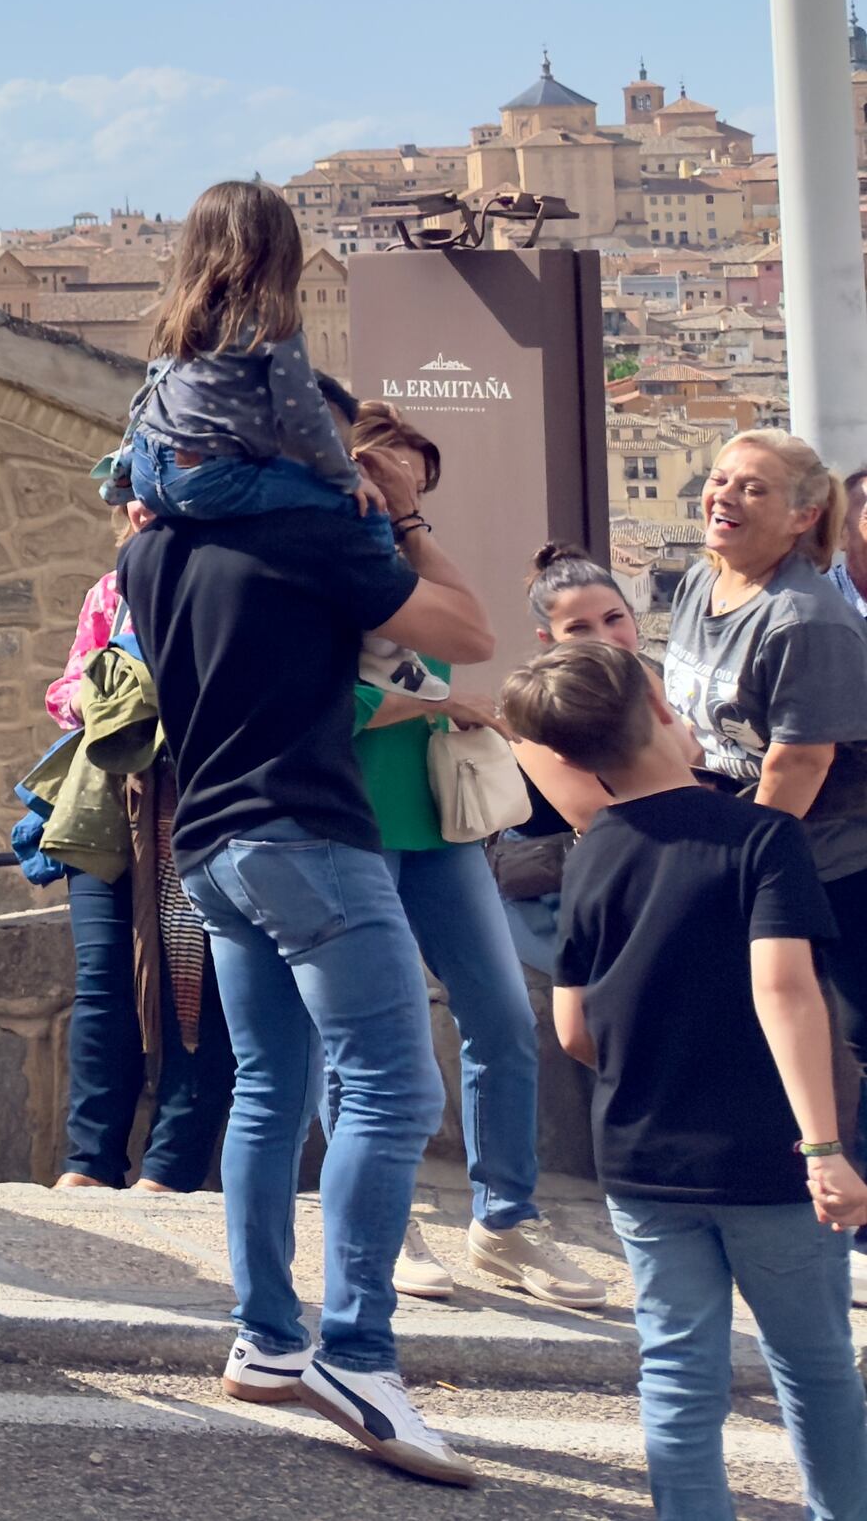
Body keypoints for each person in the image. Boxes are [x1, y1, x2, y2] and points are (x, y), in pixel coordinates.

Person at [122, 181, 497, 1487]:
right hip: (308, 831)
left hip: (207, 840)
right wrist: (390, 509)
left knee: (271, 1085)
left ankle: (266, 1340)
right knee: (399, 1087)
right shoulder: (313, 523)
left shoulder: (155, 536)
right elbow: (469, 633)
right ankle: (358, 1347)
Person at [501, 634, 867, 1521]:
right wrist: (824, 1144)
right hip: (765, 1156)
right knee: (814, 1366)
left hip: (640, 1157)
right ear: (664, 711)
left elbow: (575, 1027)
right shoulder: (763, 838)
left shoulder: (592, 851)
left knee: (676, 1364)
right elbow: (784, 988)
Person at [319, 420, 616, 1314]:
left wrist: (410, 524)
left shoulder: (409, 563)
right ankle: (384, 1221)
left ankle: (505, 1220)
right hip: (351, 825)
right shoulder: (325, 557)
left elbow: (474, 637)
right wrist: (436, 703)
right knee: (366, 1043)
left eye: (424, 485)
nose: (410, 493)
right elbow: (323, 703)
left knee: (499, 1018)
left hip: (442, 829)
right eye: (396, 474)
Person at [664, 429, 867, 1064]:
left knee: (849, 1043)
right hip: (738, 842)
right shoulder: (702, 581)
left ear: (803, 516)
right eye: (720, 479)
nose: (725, 496)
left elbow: (799, 764)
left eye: (754, 488)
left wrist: (737, 873)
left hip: (823, 865)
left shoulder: (806, 619)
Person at [40, 522, 229, 1196]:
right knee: (103, 981)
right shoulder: (111, 591)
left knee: (195, 988)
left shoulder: (224, 581)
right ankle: (88, 1163)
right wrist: (111, 696)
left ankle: (168, 1173)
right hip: (107, 805)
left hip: (197, 802)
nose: (141, 517)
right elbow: (63, 693)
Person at [119, 181, 360, 527]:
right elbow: (303, 414)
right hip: (208, 479)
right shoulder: (270, 319)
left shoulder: (182, 312)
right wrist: (349, 479)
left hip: (146, 469)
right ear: (281, 250)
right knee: (355, 510)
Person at [493, 556, 644, 982]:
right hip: (551, 895)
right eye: (579, 629)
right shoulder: (533, 708)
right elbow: (595, 814)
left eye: (615, 618)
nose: (605, 638)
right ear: (548, 639)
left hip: (632, 873)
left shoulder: (652, 685)